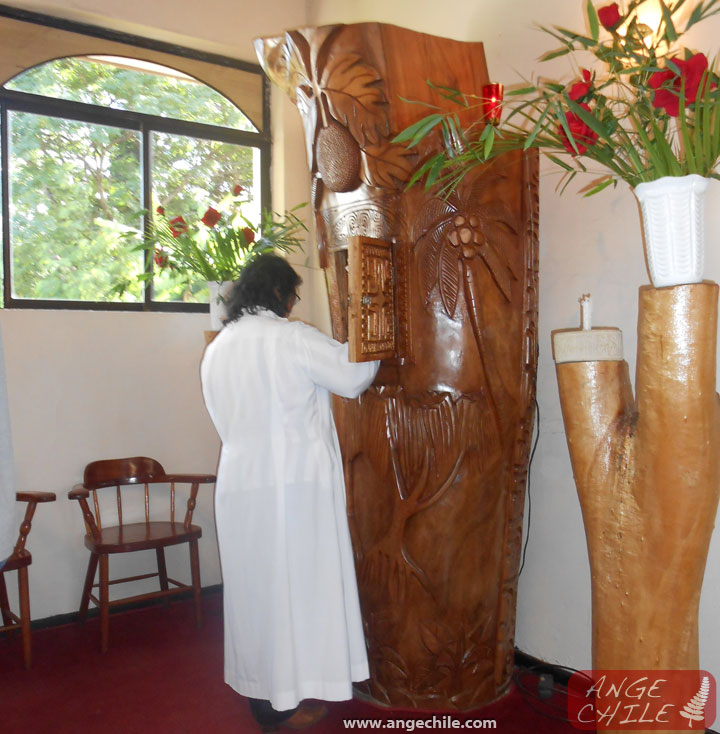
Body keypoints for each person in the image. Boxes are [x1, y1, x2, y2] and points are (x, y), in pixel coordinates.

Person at [200, 253, 380, 732]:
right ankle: (282, 705)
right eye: (294, 295)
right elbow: (351, 375)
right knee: (294, 593)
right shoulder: (291, 339)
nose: (294, 305)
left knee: (257, 594)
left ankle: (268, 699)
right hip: (291, 487)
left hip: (240, 484)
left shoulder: (219, 347)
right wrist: (375, 333)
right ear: (279, 293)